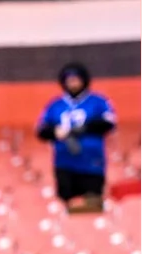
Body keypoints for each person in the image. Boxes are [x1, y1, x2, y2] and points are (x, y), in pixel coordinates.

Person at [39, 61, 118, 212]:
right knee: (67, 204)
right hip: (64, 162)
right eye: (69, 80)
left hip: (92, 163)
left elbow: (108, 123)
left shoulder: (98, 101)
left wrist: (81, 129)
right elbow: (42, 130)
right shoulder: (55, 105)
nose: (73, 83)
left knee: (92, 205)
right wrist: (56, 132)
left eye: (76, 79)